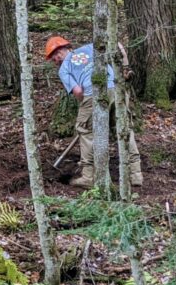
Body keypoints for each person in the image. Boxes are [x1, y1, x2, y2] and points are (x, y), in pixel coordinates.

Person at [44, 36, 143, 189]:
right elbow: (117, 43)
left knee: (86, 132)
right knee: (123, 129)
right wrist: (125, 67)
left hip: (93, 95)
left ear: (62, 50)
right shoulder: (89, 47)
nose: (55, 60)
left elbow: (77, 92)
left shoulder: (64, 69)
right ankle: (135, 174)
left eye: (55, 56)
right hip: (116, 90)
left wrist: (85, 107)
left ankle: (88, 176)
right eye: (53, 58)